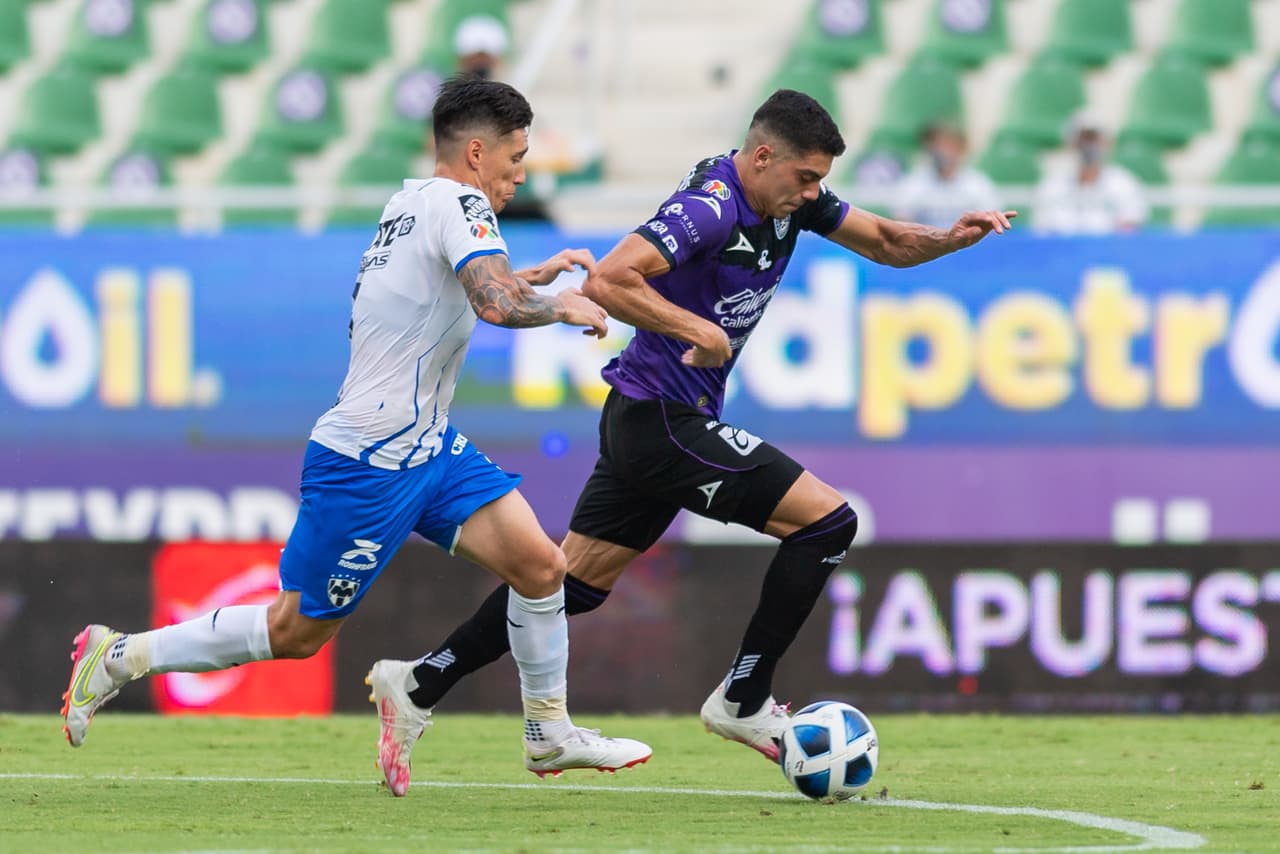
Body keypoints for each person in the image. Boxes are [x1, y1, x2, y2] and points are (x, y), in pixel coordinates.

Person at [377, 89, 1015, 767]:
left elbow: (887, 242)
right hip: (662, 419)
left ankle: (418, 682)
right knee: (828, 524)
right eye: (805, 178)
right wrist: (696, 327)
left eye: (820, 180)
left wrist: (951, 236)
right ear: (763, 156)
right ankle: (743, 700)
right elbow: (611, 280)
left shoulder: (791, 201)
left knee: (571, 585)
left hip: (648, 418)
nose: (813, 193)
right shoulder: (710, 206)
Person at [59, 77, 651, 796]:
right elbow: (492, 303)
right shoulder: (458, 203)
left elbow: (460, 292)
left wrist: (528, 280)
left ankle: (548, 733)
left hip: (425, 446)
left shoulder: (410, 202)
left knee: (540, 567)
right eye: (516, 157)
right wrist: (557, 305)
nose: (521, 174)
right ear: (475, 152)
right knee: (295, 633)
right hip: (369, 459)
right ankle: (117, 656)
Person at [1034, 111, 1148, 235]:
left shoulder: (1124, 185)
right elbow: (1044, 235)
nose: (1088, 146)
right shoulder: (1053, 187)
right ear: (1071, 145)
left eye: (1094, 139)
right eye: (1083, 139)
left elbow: (1129, 233)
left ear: (1107, 144)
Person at [893, 120, 1001, 228]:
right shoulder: (913, 183)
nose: (943, 150)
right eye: (937, 144)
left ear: (961, 148)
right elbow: (903, 223)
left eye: (949, 144)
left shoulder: (979, 185)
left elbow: (991, 226)